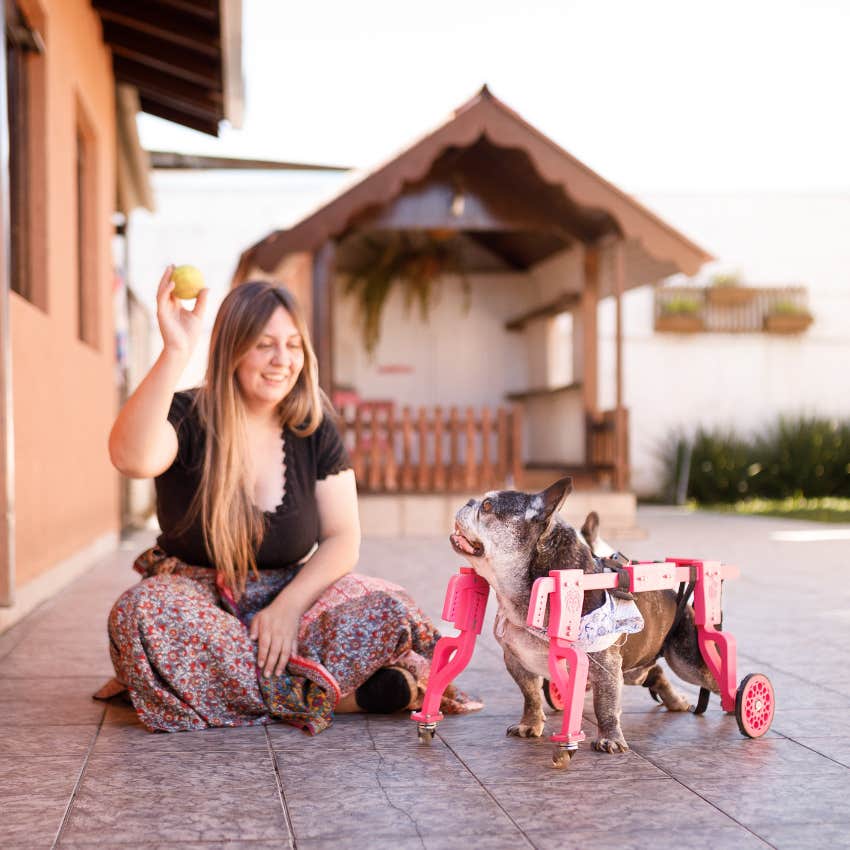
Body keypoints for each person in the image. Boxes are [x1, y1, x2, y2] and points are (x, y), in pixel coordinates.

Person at [99, 268, 479, 734]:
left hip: (291, 601)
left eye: (293, 344)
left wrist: (288, 607)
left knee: (387, 605)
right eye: (264, 344)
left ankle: (238, 686)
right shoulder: (186, 414)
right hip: (197, 602)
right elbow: (130, 457)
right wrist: (177, 350)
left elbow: (343, 538)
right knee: (143, 613)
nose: (282, 359)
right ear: (232, 350)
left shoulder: (314, 428)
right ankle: (337, 696)